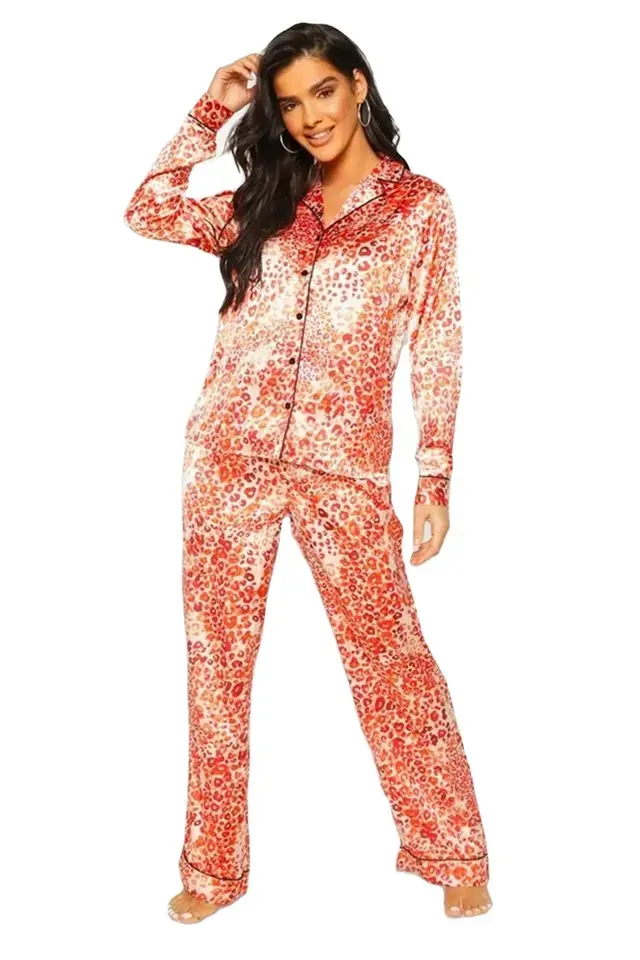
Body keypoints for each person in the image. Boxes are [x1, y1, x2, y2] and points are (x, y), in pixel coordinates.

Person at [123, 21, 492, 924]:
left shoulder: (420, 210)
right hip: (230, 456)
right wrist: (212, 108)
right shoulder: (263, 201)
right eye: (288, 104)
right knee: (217, 665)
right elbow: (148, 208)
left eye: (323, 91)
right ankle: (212, 869)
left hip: (344, 470)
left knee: (392, 662)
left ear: (358, 85)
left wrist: (434, 474)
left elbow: (437, 343)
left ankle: (453, 848)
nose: (309, 116)